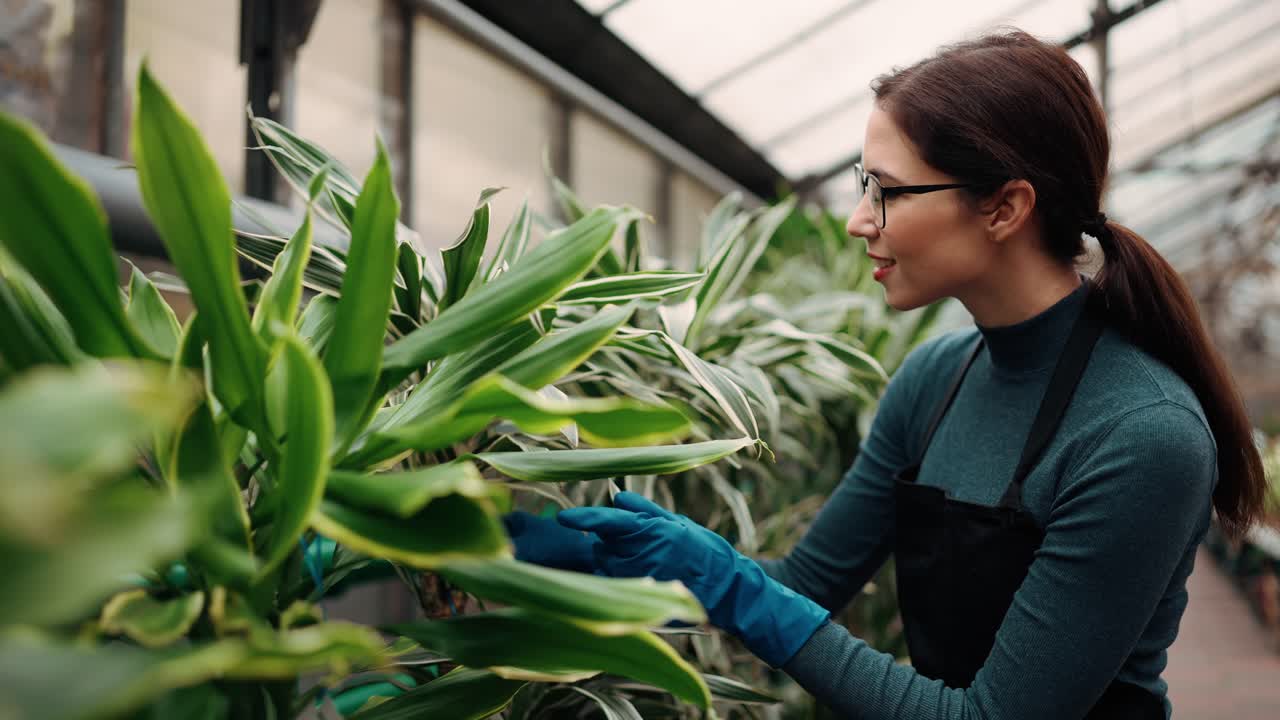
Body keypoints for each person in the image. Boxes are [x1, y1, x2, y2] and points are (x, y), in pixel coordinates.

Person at [503, 29, 1267, 719]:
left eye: (889, 191)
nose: (858, 219)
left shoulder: (1142, 435)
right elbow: (805, 583)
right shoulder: (936, 378)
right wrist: (523, 551)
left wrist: (730, 582)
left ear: (1004, 208)